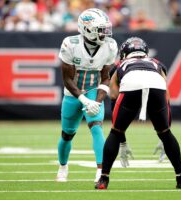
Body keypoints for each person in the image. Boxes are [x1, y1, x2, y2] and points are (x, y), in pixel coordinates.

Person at [95, 37, 181, 190]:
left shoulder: (121, 64)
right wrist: (165, 132)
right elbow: (167, 96)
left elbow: (113, 95)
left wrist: (121, 137)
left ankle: (103, 179)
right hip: (156, 86)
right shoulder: (156, 63)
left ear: (124, 52)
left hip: (131, 84)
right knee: (166, 133)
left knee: (115, 132)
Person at [56, 8, 118, 183]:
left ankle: (101, 171)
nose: (105, 33)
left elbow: (106, 78)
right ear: (87, 28)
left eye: (106, 29)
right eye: (101, 29)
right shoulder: (70, 43)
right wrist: (83, 100)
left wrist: (97, 102)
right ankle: (63, 166)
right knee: (67, 134)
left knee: (97, 127)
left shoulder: (110, 45)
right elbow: (67, 79)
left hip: (93, 90)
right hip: (72, 93)